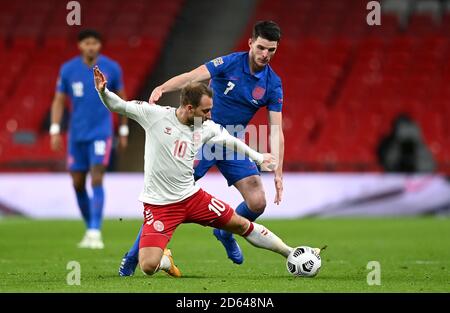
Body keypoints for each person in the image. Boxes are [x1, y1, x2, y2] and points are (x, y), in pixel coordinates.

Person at [94, 66, 320, 277]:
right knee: (149, 267)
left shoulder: (206, 127)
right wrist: (103, 91)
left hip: (193, 198)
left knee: (241, 224)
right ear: (189, 108)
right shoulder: (154, 115)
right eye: (206, 110)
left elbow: (231, 141)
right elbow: (119, 105)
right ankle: (165, 259)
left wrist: (258, 157)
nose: (211, 115)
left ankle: (290, 253)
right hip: (159, 205)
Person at [119, 20, 284, 275]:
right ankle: (131, 258)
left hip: (230, 141)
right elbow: (192, 77)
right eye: (261, 47)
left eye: (271, 50)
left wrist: (279, 173)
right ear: (251, 43)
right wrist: (164, 87)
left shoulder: (273, 84)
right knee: (168, 198)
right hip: (199, 135)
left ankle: (224, 232)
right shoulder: (229, 63)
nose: (265, 55)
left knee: (257, 202)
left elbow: (276, 129)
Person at [50, 29, 128, 249]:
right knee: (77, 183)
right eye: (87, 43)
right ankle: (89, 228)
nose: (91, 47)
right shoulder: (68, 69)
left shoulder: (112, 68)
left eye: (94, 43)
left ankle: (95, 230)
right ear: (80, 46)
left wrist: (123, 130)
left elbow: (122, 101)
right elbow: (58, 100)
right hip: (77, 135)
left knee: (96, 179)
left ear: (99, 46)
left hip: (101, 132)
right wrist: (55, 129)